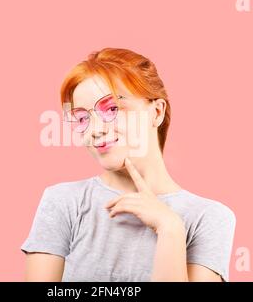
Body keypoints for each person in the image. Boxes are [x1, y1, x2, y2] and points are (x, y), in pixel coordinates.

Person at [21, 48, 236, 281]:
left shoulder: (209, 218)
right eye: (82, 118)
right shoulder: (63, 202)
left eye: (112, 109)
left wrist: (170, 229)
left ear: (156, 112)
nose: (95, 130)